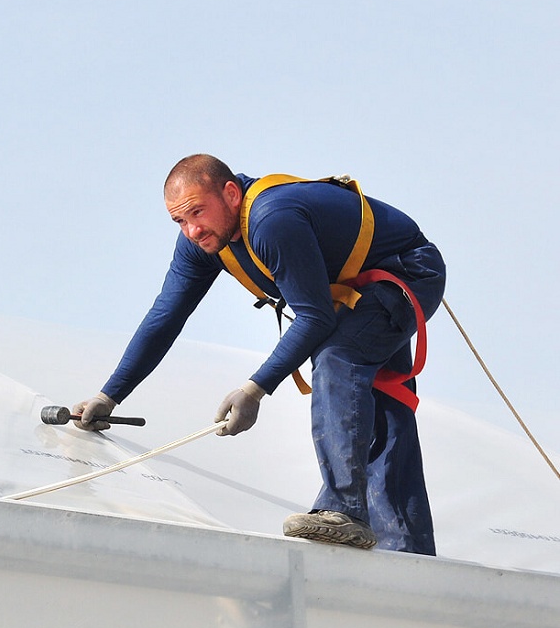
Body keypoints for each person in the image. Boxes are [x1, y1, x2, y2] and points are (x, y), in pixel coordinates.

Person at [73, 154, 445, 554]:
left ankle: (342, 511)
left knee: (339, 356)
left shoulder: (271, 219)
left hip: (406, 273)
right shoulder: (203, 242)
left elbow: (315, 317)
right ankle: (409, 548)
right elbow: (166, 315)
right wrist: (110, 395)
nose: (192, 230)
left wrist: (255, 389)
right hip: (356, 293)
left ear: (231, 193)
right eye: (180, 221)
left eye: (197, 212)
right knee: (380, 403)